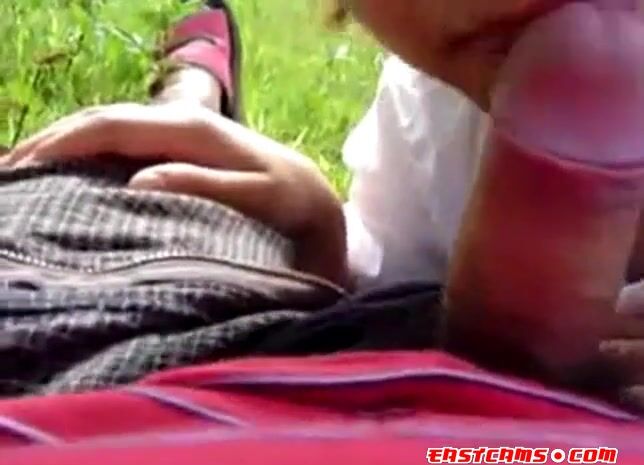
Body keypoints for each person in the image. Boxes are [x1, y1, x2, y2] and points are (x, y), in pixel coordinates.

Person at [3, 0, 644, 409]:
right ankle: (195, 89)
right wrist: (320, 233)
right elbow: (395, 282)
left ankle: (195, 81)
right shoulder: (436, 112)